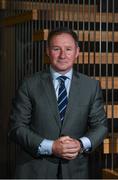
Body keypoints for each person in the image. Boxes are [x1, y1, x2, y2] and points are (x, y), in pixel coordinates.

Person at [9, 27, 108, 179]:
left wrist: (80, 144)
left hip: (75, 172)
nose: (63, 55)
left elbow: (100, 126)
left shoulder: (91, 86)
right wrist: (51, 147)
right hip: (34, 171)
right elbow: (16, 127)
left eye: (68, 49)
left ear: (77, 52)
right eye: (56, 49)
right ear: (48, 51)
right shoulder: (29, 84)